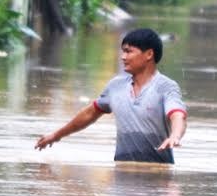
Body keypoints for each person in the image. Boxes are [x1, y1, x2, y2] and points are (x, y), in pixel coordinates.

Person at [35, 28, 187, 164]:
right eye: (123, 51)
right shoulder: (116, 86)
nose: (123, 57)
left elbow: (177, 115)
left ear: (149, 54)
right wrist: (56, 135)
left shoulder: (166, 87)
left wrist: (175, 136)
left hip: (158, 175)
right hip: (122, 171)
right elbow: (90, 113)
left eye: (129, 51)